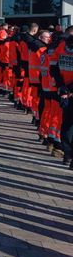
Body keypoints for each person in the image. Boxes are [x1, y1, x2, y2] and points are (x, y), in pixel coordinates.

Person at [49, 26, 73, 169]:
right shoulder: (61, 47)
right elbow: (53, 66)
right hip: (65, 91)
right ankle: (68, 154)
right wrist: (61, 85)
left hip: (68, 90)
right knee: (66, 127)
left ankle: (69, 155)